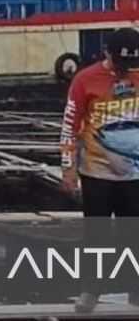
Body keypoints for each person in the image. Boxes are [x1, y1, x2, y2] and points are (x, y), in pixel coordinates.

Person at [60, 27, 139, 313]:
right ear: (107, 53)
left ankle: (136, 290)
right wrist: (68, 168)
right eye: (120, 64)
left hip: (135, 173)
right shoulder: (85, 80)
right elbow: (70, 125)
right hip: (96, 172)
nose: (125, 71)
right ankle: (90, 291)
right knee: (97, 235)